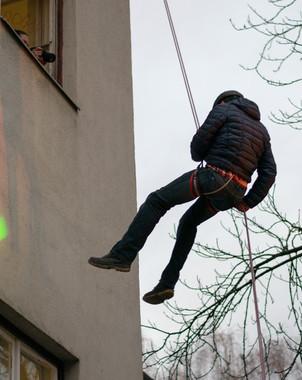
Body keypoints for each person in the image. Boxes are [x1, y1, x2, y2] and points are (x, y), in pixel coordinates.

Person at [88, 90, 277, 304]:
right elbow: (269, 172)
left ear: (223, 101)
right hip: (234, 193)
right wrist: (248, 201)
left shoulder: (223, 109)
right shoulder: (263, 132)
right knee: (188, 223)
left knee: (156, 201)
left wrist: (202, 153)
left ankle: (122, 255)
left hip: (214, 177)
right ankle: (167, 284)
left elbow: (199, 146)